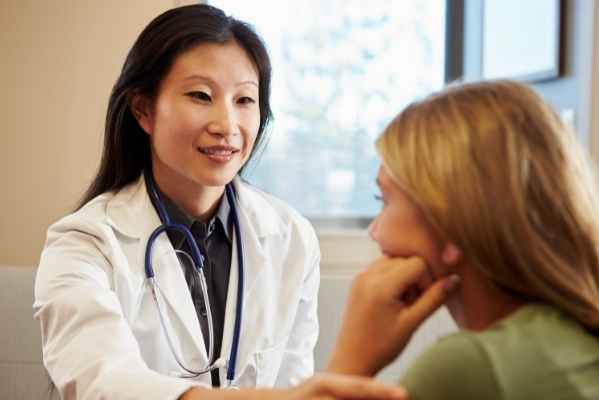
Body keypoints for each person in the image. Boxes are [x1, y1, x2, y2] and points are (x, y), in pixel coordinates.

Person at [34, 4, 457, 400]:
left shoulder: (290, 236)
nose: (227, 125)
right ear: (144, 110)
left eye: (244, 100)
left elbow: (292, 379)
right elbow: (102, 381)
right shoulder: (84, 243)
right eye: (200, 95)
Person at [326, 80, 599, 399]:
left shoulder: (468, 367)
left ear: (451, 225)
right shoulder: (570, 336)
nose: (375, 231)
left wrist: (349, 361)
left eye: (385, 201)